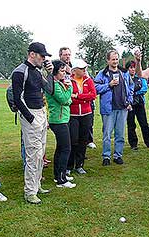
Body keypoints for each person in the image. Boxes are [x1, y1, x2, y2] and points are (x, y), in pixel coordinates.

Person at [12, 42, 54, 204]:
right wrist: (30, 117)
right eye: (42, 56)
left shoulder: (37, 72)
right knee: (33, 155)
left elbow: (49, 89)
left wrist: (50, 73)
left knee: (40, 154)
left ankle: (36, 186)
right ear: (32, 54)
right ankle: (30, 191)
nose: (44, 59)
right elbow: (17, 98)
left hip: (41, 113)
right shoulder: (19, 72)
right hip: (31, 116)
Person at [95, 50, 133, 166]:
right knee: (107, 134)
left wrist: (129, 101)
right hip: (108, 108)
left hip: (122, 107)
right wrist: (108, 85)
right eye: (113, 59)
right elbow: (95, 88)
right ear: (108, 60)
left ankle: (118, 155)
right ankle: (106, 156)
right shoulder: (102, 73)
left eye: (117, 59)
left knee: (120, 134)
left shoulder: (124, 73)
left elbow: (131, 86)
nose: (115, 61)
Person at [46, 60, 76, 188]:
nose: (65, 74)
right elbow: (64, 99)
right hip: (58, 121)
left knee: (60, 148)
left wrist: (68, 98)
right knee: (65, 149)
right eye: (62, 71)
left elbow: (67, 101)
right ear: (55, 72)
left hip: (63, 119)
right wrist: (70, 89)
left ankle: (59, 174)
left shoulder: (58, 83)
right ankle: (61, 180)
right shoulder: (55, 85)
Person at [68, 59, 96, 174]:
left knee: (83, 140)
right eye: (82, 68)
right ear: (74, 70)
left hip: (86, 114)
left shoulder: (88, 80)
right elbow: (69, 97)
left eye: (85, 68)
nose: (84, 70)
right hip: (73, 115)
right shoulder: (68, 80)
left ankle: (79, 165)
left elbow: (93, 95)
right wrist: (83, 97)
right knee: (72, 140)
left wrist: (78, 96)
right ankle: (69, 166)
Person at [126, 61, 149, 150]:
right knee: (131, 124)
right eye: (131, 67)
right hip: (130, 104)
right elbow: (125, 90)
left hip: (139, 103)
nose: (132, 69)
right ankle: (133, 144)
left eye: (134, 67)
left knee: (144, 123)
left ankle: (148, 142)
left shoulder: (140, 77)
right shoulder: (125, 78)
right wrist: (132, 93)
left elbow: (144, 89)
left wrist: (133, 92)